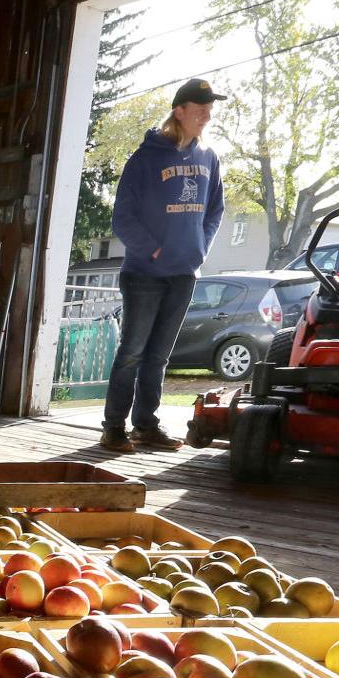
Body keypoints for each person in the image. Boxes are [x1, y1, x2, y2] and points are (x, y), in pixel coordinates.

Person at [101, 78, 228, 453]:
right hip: (144, 273)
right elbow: (122, 218)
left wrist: (199, 247)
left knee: (159, 357)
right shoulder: (146, 158)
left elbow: (216, 209)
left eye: (209, 108)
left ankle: (146, 425)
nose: (207, 115)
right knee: (132, 353)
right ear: (180, 111)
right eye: (200, 108)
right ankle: (113, 428)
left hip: (184, 273)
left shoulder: (209, 157)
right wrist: (153, 250)